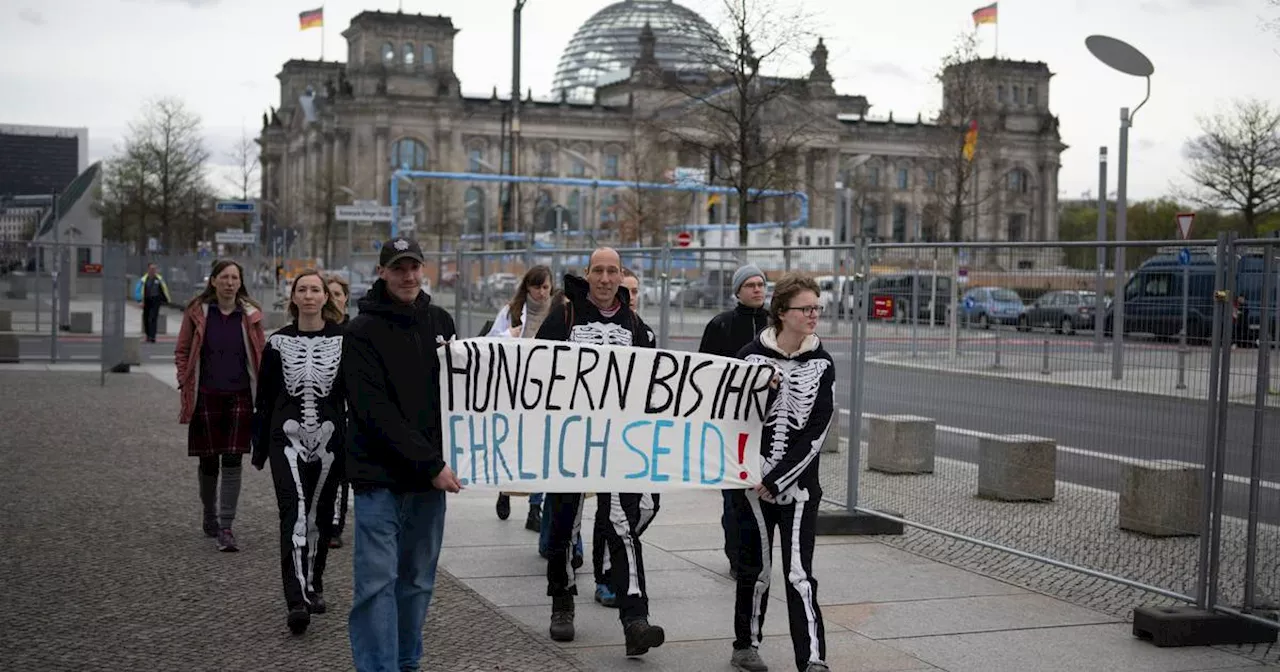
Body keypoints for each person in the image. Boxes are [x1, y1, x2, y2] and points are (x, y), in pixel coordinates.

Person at [535, 247, 665, 657]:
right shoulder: (565, 317)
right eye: (599, 271)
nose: (606, 279)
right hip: (572, 438)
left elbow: (654, 381)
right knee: (564, 519)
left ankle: (635, 617)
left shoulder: (635, 323)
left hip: (618, 441)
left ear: (621, 275)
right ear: (588, 275)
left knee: (623, 524)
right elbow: (533, 371)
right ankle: (562, 597)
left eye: (613, 271)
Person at [343, 237, 462, 672]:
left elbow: (464, 395)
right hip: (379, 479)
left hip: (428, 482)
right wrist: (431, 464)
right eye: (398, 268)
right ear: (382, 273)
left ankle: (407, 662)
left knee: (416, 583)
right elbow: (374, 412)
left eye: (414, 266)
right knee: (377, 585)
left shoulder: (441, 321)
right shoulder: (360, 332)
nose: (408, 275)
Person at [731, 274, 835, 672]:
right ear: (781, 313)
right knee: (755, 569)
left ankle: (812, 659)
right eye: (805, 309)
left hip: (798, 490)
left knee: (799, 574)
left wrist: (779, 479)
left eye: (816, 308)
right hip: (751, 486)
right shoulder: (749, 357)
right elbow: (734, 419)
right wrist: (768, 392)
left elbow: (815, 431)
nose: (813, 315)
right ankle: (745, 643)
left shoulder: (822, 364)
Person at [251, 270, 347, 635]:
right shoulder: (278, 343)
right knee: (293, 514)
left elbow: (352, 395)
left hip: (330, 439)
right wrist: (259, 449)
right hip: (285, 439)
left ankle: (314, 584)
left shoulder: (343, 341)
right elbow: (265, 397)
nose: (308, 295)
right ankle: (295, 599)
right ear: (293, 297)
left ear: (326, 297)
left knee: (320, 517)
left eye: (315, 290)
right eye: (302, 289)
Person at [174, 259, 267, 552]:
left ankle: (226, 526)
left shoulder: (250, 315)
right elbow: (183, 349)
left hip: (240, 395)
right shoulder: (198, 312)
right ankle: (208, 512)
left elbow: (260, 352)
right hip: (206, 394)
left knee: (233, 460)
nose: (230, 283)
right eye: (224, 277)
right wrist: (183, 377)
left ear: (240, 282)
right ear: (213, 281)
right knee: (208, 461)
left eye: (235, 278)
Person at [698, 264, 769, 580]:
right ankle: (737, 558)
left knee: (764, 498)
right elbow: (705, 372)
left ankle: (760, 555)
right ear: (738, 291)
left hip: (766, 426)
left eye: (761, 284)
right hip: (731, 425)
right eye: (750, 285)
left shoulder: (774, 324)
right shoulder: (721, 325)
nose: (757, 290)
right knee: (734, 498)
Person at [488, 266, 553, 531]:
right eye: (536, 287)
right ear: (527, 287)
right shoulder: (511, 312)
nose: (541, 292)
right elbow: (490, 342)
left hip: (546, 390)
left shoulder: (558, 311)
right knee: (514, 448)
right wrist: (508, 336)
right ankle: (505, 491)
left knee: (541, 451)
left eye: (546, 287)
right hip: (515, 389)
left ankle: (535, 507)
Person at [325, 273, 353, 550]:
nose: (333, 299)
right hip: (321, 409)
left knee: (341, 472)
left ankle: (336, 524)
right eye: (328, 293)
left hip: (347, 411)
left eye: (337, 294)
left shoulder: (354, 332)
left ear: (345, 298)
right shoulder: (316, 331)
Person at [134, 263, 171, 343]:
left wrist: (166, 299)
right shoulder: (144, 279)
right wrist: (139, 301)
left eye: (154, 269)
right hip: (146, 301)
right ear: (148, 270)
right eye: (151, 269)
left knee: (153, 318)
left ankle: (152, 337)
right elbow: (138, 290)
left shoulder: (159, 279)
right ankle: (148, 335)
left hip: (156, 301)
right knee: (146, 318)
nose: (153, 270)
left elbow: (164, 289)